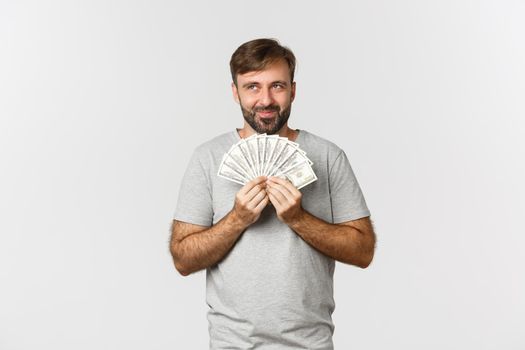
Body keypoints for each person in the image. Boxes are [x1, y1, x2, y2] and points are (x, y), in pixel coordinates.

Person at [170, 38, 376, 349]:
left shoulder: (328, 156)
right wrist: (238, 219)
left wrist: (298, 218)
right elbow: (183, 259)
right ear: (235, 92)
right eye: (252, 86)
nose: (265, 99)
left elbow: (363, 251)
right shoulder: (207, 157)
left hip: (310, 344)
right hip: (232, 344)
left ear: (293, 90)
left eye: (277, 86)